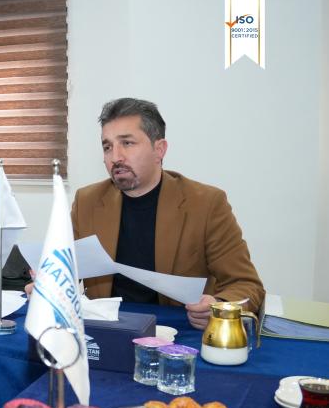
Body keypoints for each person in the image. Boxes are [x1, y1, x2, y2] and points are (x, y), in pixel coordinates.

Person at [27, 98, 265, 329]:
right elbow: (65, 271)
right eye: (107, 147)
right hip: (109, 330)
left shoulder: (206, 204)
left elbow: (246, 285)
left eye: (127, 143)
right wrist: (47, 284)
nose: (115, 157)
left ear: (159, 149)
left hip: (178, 333)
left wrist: (218, 307)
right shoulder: (87, 201)